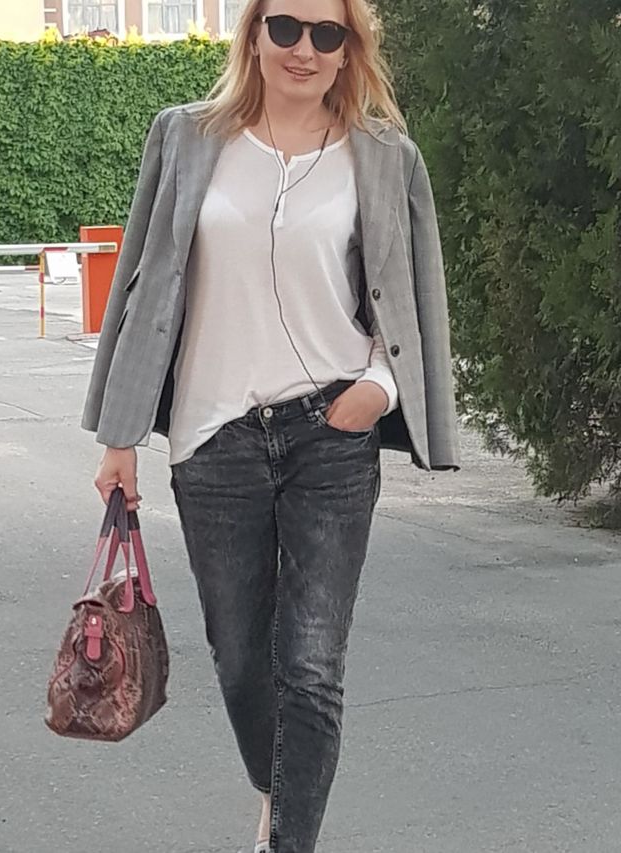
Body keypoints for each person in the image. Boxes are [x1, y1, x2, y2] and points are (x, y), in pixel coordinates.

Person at [82, 0, 460, 850]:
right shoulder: (186, 138)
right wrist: (120, 438)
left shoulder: (383, 157)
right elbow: (143, 283)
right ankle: (277, 788)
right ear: (253, 32)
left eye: (328, 35)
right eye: (286, 27)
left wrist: (378, 389)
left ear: (349, 51)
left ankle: (287, 837)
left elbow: (410, 294)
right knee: (242, 657)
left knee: (312, 664)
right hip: (214, 436)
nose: (303, 49)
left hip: (331, 432)